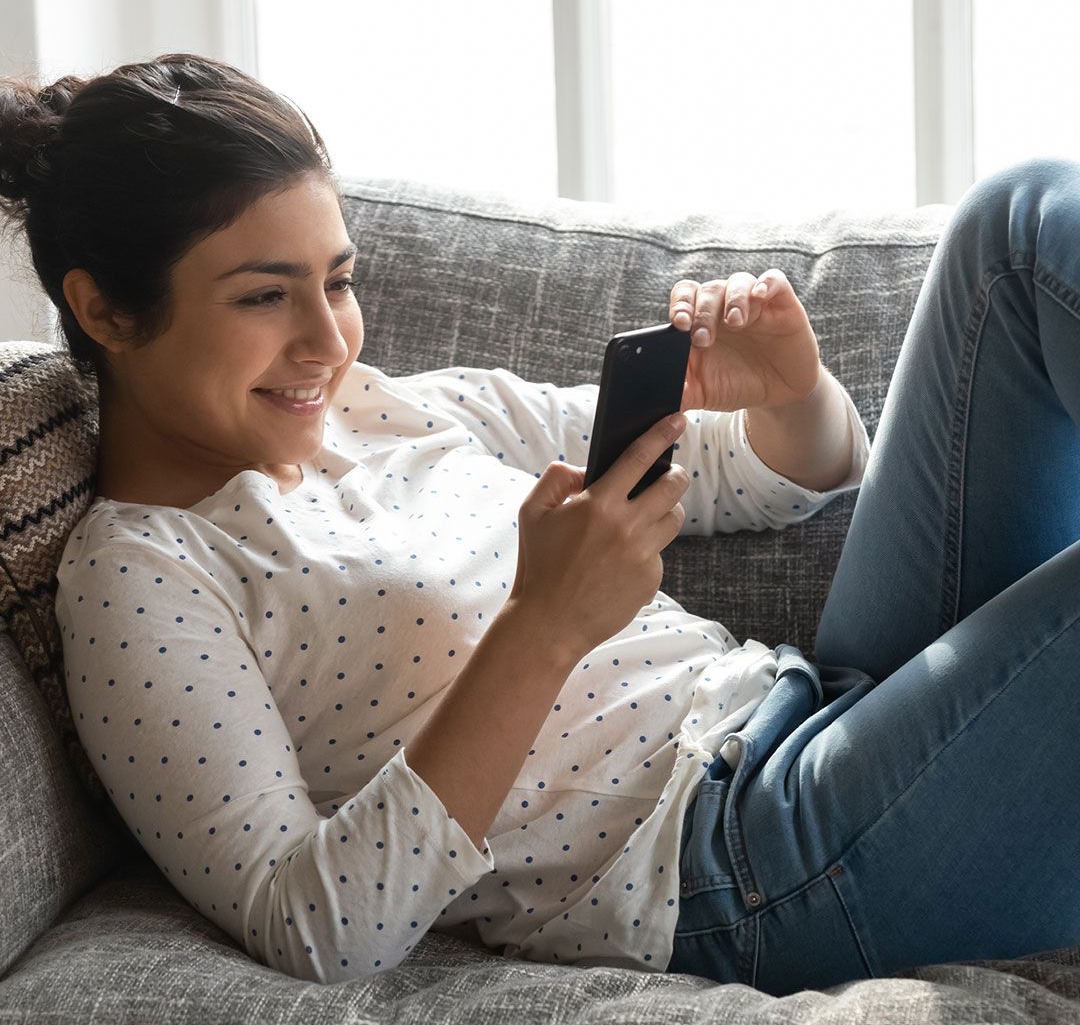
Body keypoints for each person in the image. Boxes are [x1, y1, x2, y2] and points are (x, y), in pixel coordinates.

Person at [2, 53, 1066, 996]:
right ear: (104, 311)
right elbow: (318, 925)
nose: (327, 341)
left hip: (813, 707)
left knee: (1015, 224)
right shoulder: (137, 573)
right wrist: (543, 628)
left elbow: (775, 476)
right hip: (747, 863)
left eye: (338, 281)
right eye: (263, 297)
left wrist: (794, 394)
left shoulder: (386, 405)